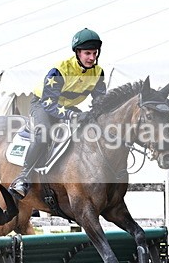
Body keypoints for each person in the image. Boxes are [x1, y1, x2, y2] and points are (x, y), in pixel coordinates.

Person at [9, 28, 107, 199]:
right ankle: (23, 177)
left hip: (65, 108)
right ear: (77, 53)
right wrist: (71, 115)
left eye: (94, 53)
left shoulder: (98, 73)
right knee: (45, 133)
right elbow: (49, 104)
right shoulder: (59, 71)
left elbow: (100, 103)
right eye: (87, 53)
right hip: (43, 105)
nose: (92, 58)